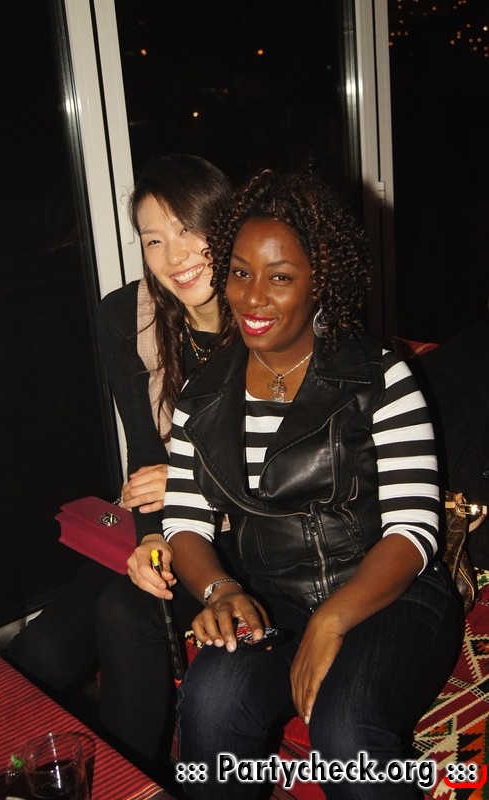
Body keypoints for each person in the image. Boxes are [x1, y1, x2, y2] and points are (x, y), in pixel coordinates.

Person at [160, 165, 465, 799]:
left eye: (279, 277)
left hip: (391, 594)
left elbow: (414, 530)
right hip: (271, 599)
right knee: (210, 703)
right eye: (239, 273)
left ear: (320, 281)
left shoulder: (380, 378)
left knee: (345, 732)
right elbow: (184, 520)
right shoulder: (202, 394)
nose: (252, 298)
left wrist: (331, 621)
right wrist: (220, 589)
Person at [5, 154, 234, 784]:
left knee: (124, 614)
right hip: (164, 519)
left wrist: (189, 486)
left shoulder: (269, 313)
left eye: (188, 228)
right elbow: (145, 453)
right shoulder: (126, 317)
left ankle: (128, 784)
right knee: (38, 653)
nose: (175, 255)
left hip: (248, 530)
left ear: (227, 224)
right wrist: (151, 541)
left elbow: (296, 464)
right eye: (153, 239)